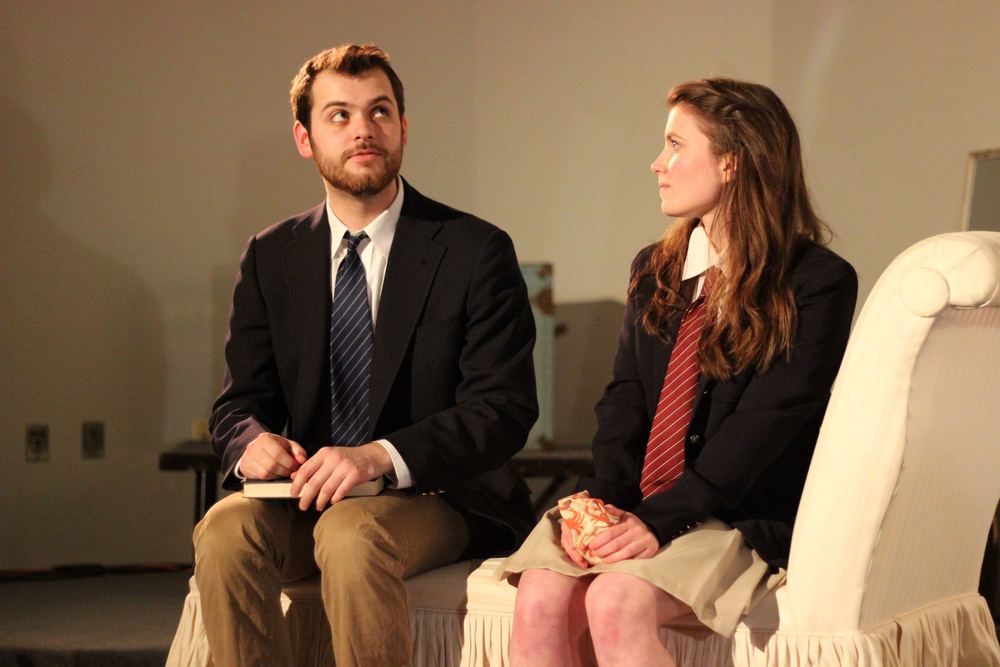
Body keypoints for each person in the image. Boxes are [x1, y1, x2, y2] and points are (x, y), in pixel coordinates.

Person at [193, 43, 538, 667]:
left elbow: (504, 408)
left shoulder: (473, 249)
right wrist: (251, 445)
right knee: (223, 529)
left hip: (439, 497)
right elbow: (239, 402)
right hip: (308, 498)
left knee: (353, 535)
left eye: (380, 112)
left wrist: (380, 456)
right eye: (339, 115)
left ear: (402, 128)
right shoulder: (271, 256)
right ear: (305, 138)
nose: (363, 130)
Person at [501, 78, 858, 667]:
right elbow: (624, 403)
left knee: (616, 599)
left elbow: (768, 423)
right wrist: (606, 505)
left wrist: (658, 520)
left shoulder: (816, 281)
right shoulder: (655, 269)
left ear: (731, 163)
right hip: (639, 505)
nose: (656, 164)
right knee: (540, 596)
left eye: (675, 146)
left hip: (733, 515)